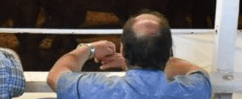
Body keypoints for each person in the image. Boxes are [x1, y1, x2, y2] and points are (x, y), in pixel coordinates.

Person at [47, 11, 212, 99]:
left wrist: (89, 49)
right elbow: (195, 70)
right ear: (169, 51)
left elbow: (55, 76)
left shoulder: (95, 89)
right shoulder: (194, 90)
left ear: (122, 49)